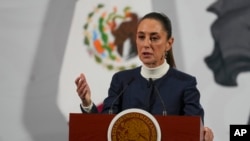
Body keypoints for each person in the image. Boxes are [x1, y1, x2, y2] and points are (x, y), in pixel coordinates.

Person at [75, 12, 214, 141]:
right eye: (141, 37)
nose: (146, 44)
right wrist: (87, 103)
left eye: (154, 38)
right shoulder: (121, 81)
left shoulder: (185, 84)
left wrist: (203, 137)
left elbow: (192, 132)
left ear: (169, 43)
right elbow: (105, 128)